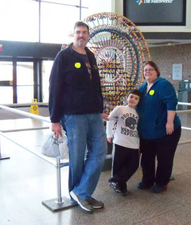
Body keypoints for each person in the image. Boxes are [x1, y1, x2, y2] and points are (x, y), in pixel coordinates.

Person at [49, 21, 107, 213]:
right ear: (73, 35)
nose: (81, 35)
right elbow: (55, 88)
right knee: (76, 157)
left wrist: (101, 108)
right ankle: (81, 195)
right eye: (78, 32)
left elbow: (96, 87)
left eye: (84, 32)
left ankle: (81, 192)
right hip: (74, 116)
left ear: (88, 35)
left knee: (99, 152)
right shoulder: (64, 56)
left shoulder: (90, 56)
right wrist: (54, 119)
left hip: (94, 114)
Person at [136, 61, 181, 193]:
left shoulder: (163, 84)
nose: (147, 72)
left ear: (157, 71)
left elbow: (171, 103)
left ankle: (162, 182)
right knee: (147, 157)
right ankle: (147, 180)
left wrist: (170, 122)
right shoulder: (142, 88)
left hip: (166, 130)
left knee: (164, 157)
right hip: (147, 132)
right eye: (145, 70)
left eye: (151, 69)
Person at [106, 89, 141, 196]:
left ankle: (116, 180)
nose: (133, 100)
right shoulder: (120, 109)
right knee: (118, 165)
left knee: (134, 165)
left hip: (134, 143)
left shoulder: (139, 113)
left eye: (136, 98)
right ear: (127, 97)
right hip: (120, 142)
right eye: (131, 97)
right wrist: (109, 134)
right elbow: (110, 120)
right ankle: (121, 185)